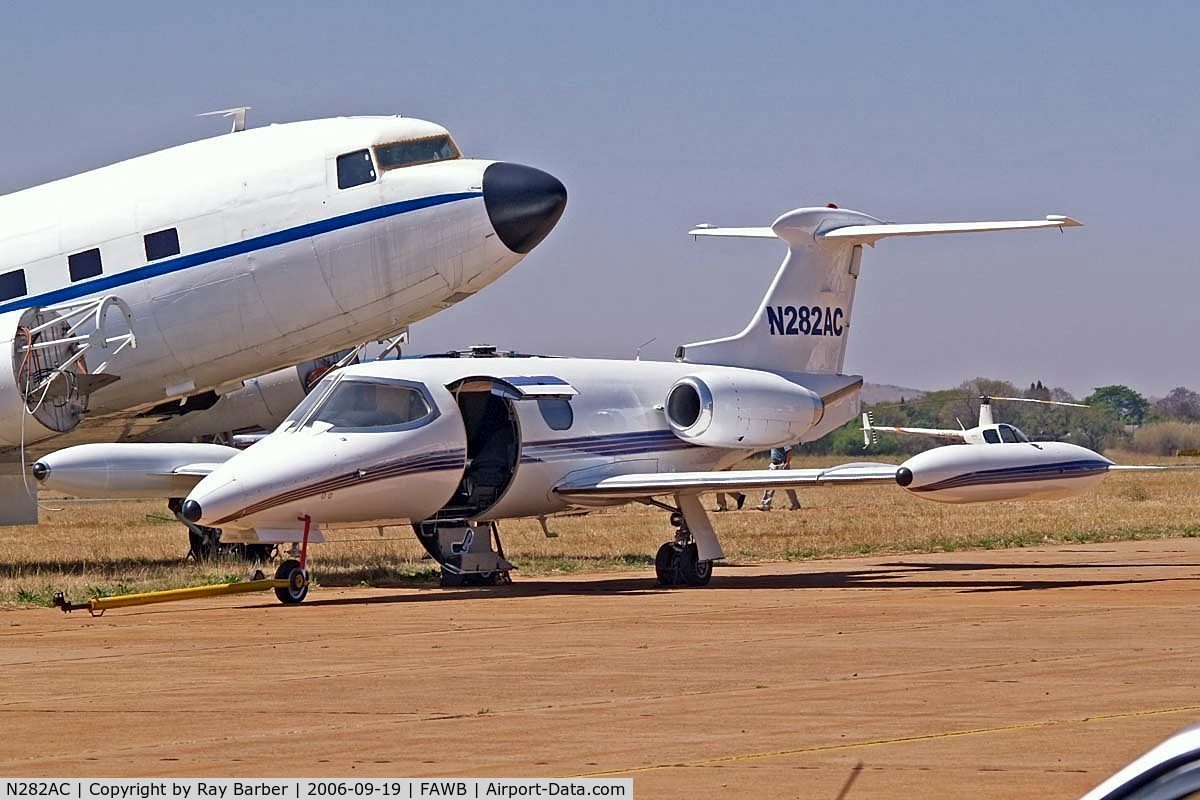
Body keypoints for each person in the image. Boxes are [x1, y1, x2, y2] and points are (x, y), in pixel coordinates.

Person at [758, 445, 802, 511]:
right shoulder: (774, 441)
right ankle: (765, 504)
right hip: (774, 465)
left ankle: (795, 504)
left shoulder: (784, 441)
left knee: (788, 486)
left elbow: (790, 452)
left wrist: (787, 463)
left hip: (782, 465)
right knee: (769, 484)